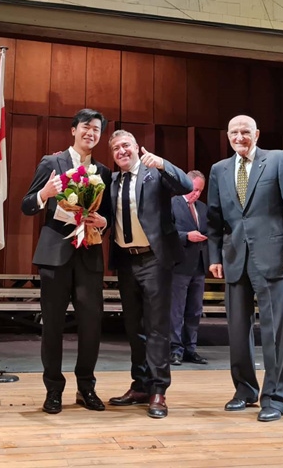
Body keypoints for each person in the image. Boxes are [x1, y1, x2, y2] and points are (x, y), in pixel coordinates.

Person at [206, 115, 283, 423]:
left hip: (273, 256)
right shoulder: (219, 169)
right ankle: (245, 390)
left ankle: (275, 397)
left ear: (257, 134)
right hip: (235, 257)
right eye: (234, 132)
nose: (239, 137)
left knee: (275, 332)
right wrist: (214, 256)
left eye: (245, 132)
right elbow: (214, 219)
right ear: (227, 135)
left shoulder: (277, 160)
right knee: (237, 330)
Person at [20, 108, 112, 415]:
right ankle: (53, 390)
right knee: (53, 326)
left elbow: (108, 216)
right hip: (55, 256)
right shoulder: (52, 162)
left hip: (89, 257)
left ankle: (86, 387)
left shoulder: (103, 171)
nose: (91, 133)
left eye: (96, 129)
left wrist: (103, 222)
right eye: (86, 127)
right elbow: (26, 206)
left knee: (91, 325)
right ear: (73, 130)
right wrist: (44, 193)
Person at [107, 130, 192, 419]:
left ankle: (158, 389)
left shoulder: (154, 173)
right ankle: (140, 385)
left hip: (154, 259)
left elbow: (186, 185)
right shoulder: (113, 180)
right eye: (116, 148)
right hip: (126, 260)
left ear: (137, 147)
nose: (121, 151)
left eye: (126, 145)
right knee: (134, 327)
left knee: (156, 328)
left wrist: (163, 164)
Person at [169, 170, 209, 366]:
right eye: (194, 189)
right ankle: (174, 349)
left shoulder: (203, 208)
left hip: (199, 266)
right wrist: (186, 236)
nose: (197, 194)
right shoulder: (172, 204)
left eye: (200, 191)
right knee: (176, 310)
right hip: (179, 265)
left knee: (194, 310)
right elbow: (165, 233)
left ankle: (190, 349)